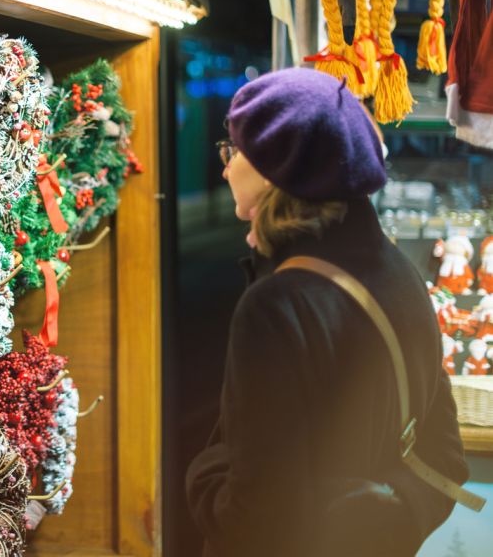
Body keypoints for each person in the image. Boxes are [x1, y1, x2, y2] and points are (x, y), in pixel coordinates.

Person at [186, 68, 468, 557]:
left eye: (235, 150)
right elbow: (444, 453)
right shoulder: (399, 271)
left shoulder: (279, 305)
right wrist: (387, 517)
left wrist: (202, 474)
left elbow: (256, 520)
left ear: (279, 166)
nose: (227, 167)